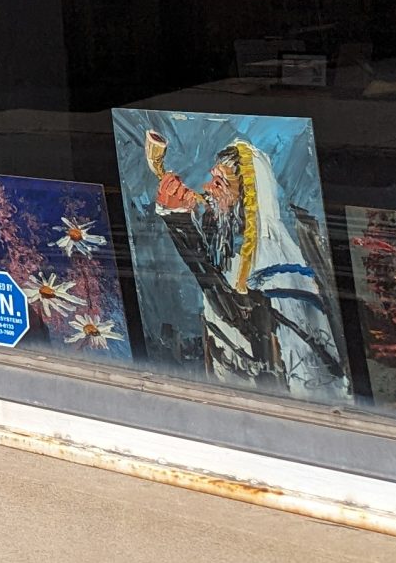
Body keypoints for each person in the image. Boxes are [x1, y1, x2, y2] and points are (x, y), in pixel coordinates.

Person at [144, 128, 347, 400]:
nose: (207, 189)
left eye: (219, 184)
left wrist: (179, 221)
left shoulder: (279, 273)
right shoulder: (234, 261)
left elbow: (232, 310)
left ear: (247, 201)